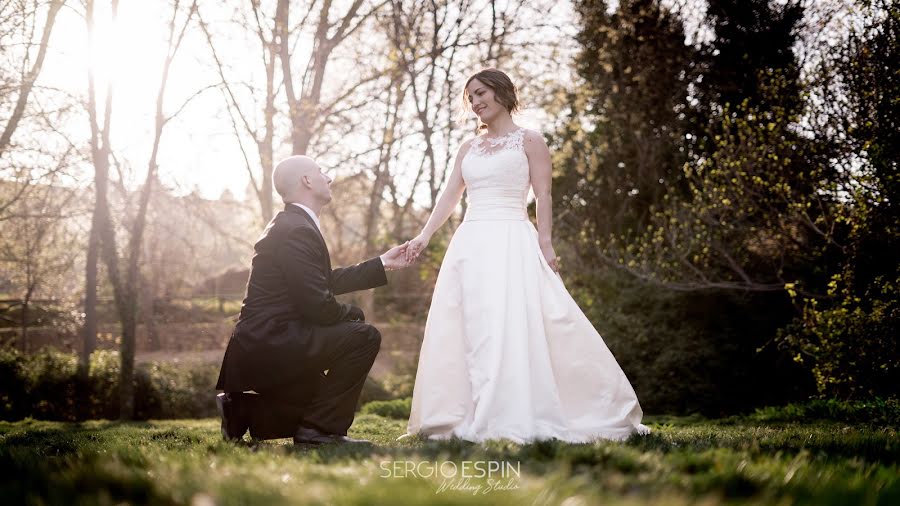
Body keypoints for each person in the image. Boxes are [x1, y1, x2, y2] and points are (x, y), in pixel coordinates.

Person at [403, 68, 650, 443]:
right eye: (470, 97)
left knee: (514, 321)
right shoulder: (467, 148)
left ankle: (517, 409)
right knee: (470, 325)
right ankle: (462, 412)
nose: (476, 102)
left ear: (502, 93)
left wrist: (546, 243)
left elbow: (543, 195)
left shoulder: (530, 140)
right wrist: (423, 236)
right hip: (470, 243)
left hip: (511, 239)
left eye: (481, 93)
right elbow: (450, 196)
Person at [215, 155, 410, 445]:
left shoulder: (293, 224)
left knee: (311, 406)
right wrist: (352, 314)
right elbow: (317, 305)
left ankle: (242, 411)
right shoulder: (296, 229)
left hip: (268, 340)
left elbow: (318, 280)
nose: (328, 178)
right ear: (307, 180)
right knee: (364, 337)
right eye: (321, 171)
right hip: (273, 340)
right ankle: (319, 432)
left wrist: (381, 263)